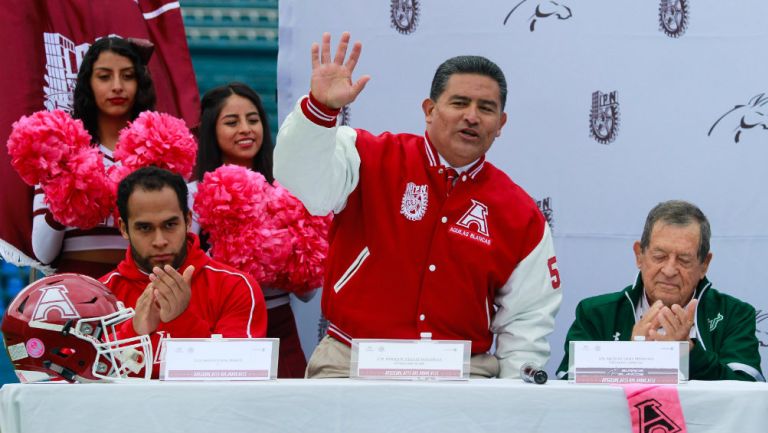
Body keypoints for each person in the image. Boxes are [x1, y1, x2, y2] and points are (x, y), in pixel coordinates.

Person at [274, 32, 562, 378]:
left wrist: (514, 394)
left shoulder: (520, 213)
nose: (472, 116)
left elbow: (527, 320)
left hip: (463, 371)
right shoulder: (367, 156)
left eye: (486, 109)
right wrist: (320, 110)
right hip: (352, 358)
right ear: (429, 110)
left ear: (500, 125)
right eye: (459, 103)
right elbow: (302, 181)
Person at [556, 200, 764, 381]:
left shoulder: (734, 315)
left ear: (704, 264)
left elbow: (746, 390)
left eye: (684, 260)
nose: (670, 270)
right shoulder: (596, 313)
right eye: (659, 256)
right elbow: (568, 383)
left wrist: (688, 353)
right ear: (639, 255)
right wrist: (629, 354)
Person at [100, 166, 267, 377]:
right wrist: (133, 332)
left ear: (188, 220)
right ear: (123, 228)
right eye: (145, 228)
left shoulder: (236, 286)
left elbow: (237, 377)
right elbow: (86, 386)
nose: (159, 241)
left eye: (170, 225)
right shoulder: (100, 295)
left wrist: (181, 320)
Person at [192, 82, 310, 378]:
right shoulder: (193, 193)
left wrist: (287, 259)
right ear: (210, 130)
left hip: (279, 322)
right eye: (232, 122)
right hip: (218, 325)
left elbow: (308, 293)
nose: (245, 129)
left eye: (253, 119)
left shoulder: (287, 190)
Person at [32, 36, 156, 278]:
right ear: (87, 84)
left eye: (128, 76)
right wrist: (65, 195)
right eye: (104, 76)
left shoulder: (160, 150)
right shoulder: (60, 150)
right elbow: (42, 253)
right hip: (76, 294)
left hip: (141, 289)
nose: (117, 86)